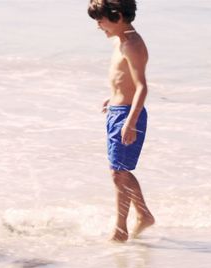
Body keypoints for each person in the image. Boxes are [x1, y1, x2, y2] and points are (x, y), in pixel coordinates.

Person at [88, 0, 155, 242]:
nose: (98, 26)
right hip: (118, 111)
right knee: (119, 172)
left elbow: (142, 87)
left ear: (116, 16)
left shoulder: (132, 45)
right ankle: (143, 215)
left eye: (100, 20)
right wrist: (113, 97)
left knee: (119, 173)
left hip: (127, 115)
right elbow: (123, 79)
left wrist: (131, 121)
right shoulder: (121, 41)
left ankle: (120, 228)